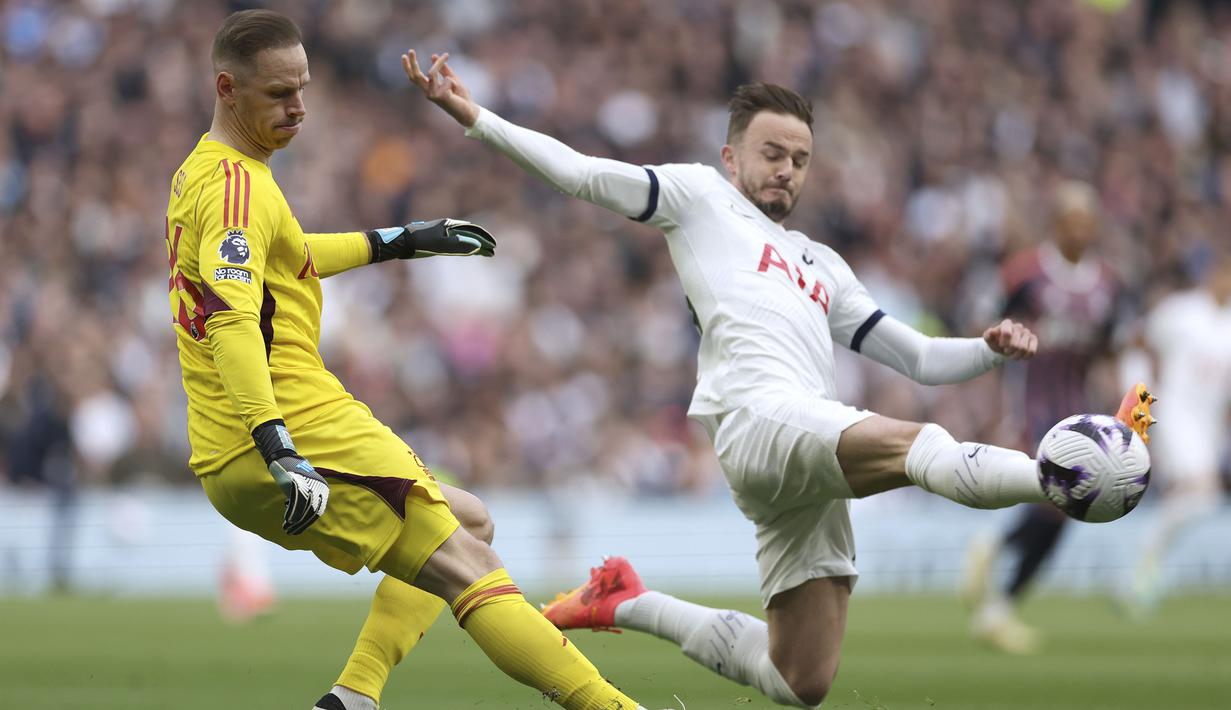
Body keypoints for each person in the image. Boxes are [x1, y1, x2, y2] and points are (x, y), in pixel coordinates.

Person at [403, 50, 1154, 708]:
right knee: (915, 444)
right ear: (732, 158)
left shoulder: (821, 263)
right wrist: (476, 118)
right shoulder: (700, 198)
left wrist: (988, 348)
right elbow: (582, 175)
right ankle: (1062, 475)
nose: (784, 169)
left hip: (802, 452)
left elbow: (920, 360)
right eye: (770, 153)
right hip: (758, 417)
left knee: (800, 679)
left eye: (798, 159)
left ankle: (626, 602)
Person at [166, 11, 649, 710]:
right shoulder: (238, 188)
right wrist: (279, 445)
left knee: (471, 519)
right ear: (226, 89)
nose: (298, 106)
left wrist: (403, 240)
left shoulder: (204, 175)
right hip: (295, 428)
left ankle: (354, 697)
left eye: (302, 88)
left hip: (233, 448)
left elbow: (293, 258)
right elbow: (231, 320)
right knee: (468, 565)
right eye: (278, 93)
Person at [960, 180, 1127, 654]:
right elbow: (986, 330)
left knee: (1065, 509)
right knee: (1062, 500)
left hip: (1078, 408)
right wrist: (990, 398)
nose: (1081, 231)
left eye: (1087, 222)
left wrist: (1119, 404)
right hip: (1031, 406)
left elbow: (1107, 348)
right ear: (1057, 224)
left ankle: (995, 566)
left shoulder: (1106, 284)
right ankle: (997, 590)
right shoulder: (1026, 275)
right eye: (1072, 221)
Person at [1120, 254, 1231, 616]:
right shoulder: (1181, 312)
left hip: (1208, 426)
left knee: (1198, 498)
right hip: (1175, 414)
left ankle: (1143, 567)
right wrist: (1139, 405)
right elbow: (1137, 342)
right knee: (1203, 490)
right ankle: (1144, 563)